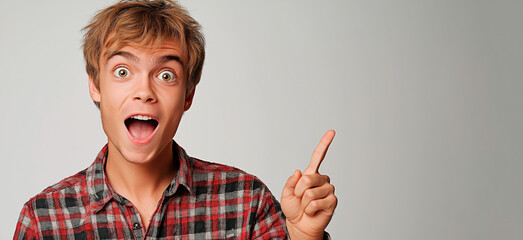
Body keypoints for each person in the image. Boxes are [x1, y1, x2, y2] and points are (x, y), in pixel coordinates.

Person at [14, 1, 337, 239]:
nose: (144, 91)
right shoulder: (45, 220)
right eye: (123, 71)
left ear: (188, 96)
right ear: (95, 85)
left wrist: (302, 235)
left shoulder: (246, 201)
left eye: (166, 75)